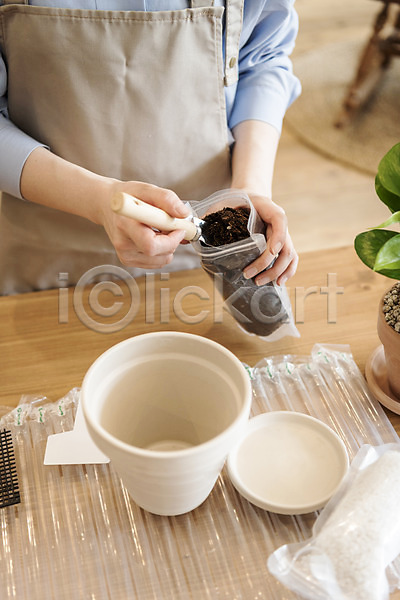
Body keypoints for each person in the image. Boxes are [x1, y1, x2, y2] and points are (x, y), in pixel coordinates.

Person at [0, 0, 301, 295]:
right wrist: (97, 200)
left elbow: (261, 58)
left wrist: (248, 191)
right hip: (46, 259)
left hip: (201, 259)